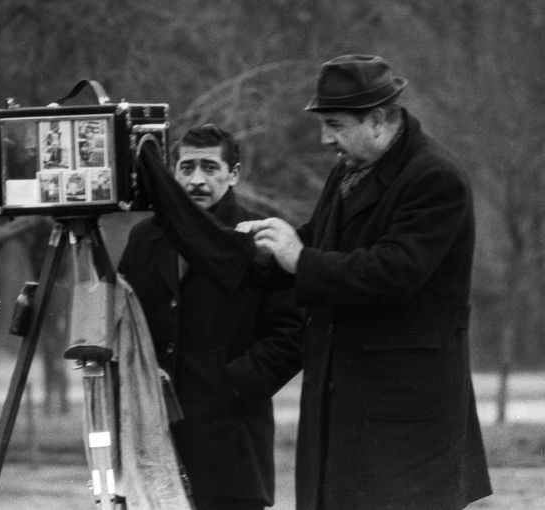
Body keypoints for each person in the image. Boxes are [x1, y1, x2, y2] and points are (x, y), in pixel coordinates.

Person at [218, 54, 491, 509]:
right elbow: (320, 241)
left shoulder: (434, 178)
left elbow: (393, 272)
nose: (326, 138)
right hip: (344, 401)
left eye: (335, 124)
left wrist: (299, 258)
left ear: (379, 120)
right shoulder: (351, 169)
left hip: (404, 413)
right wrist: (269, 246)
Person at [118, 124, 303, 510]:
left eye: (209, 167)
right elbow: (123, 319)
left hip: (231, 444)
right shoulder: (143, 238)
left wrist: (234, 385)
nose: (196, 179)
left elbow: (293, 332)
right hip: (155, 443)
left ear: (232, 174)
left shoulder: (260, 237)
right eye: (186, 168)